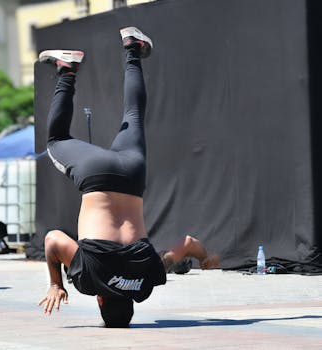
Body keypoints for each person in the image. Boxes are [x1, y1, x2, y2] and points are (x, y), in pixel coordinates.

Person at [37, 26, 219, 327]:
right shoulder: (90, 280)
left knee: (133, 115)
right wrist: (57, 283)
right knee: (56, 141)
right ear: (100, 301)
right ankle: (67, 71)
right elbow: (53, 239)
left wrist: (205, 258)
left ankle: (133, 48)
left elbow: (186, 243)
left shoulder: (147, 280)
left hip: (133, 174)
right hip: (96, 176)